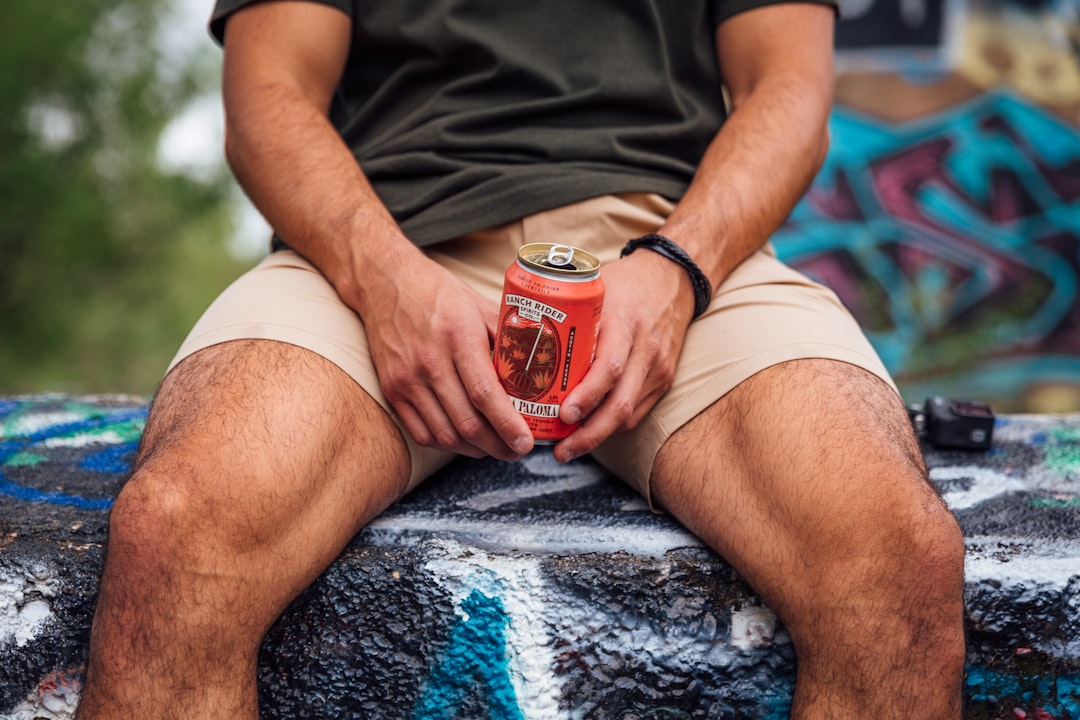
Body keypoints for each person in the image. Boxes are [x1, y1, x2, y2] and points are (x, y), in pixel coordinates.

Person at [75, 0, 967, 718]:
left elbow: (789, 86)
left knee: (897, 558)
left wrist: (680, 267)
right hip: (383, 247)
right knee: (177, 534)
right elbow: (268, 93)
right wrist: (384, 280)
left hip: (667, 248)